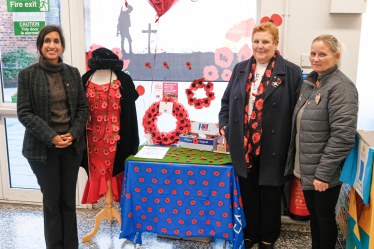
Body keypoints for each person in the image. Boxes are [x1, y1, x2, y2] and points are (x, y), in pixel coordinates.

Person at [219, 22, 303, 249]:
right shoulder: (240, 68)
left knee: (272, 193)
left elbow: (298, 111)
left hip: (274, 144)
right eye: (256, 41)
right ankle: (250, 234)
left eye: (266, 41)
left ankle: (268, 236)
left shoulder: (291, 72)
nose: (260, 46)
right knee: (248, 192)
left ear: (276, 44)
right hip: (243, 144)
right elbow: (226, 101)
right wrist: (224, 125)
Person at [17, 25, 88, 248]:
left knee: (68, 200)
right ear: (40, 45)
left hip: (71, 146)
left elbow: (83, 109)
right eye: (47, 41)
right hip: (42, 149)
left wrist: (73, 134)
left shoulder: (73, 73)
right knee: (52, 201)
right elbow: (24, 112)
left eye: (56, 41)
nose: (52, 45)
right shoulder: (27, 75)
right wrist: (52, 137)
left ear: (62, 46)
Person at [284, 34, 358, 249]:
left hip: (323, 173)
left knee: (324, 220)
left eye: (322, 54)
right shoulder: (311, 83)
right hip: (308, 168)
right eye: (313, 53)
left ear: (336, 56)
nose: (315, 58)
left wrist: (323, 174)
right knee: (315, 218)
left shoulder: (341, 87)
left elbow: (343, 136)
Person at [81, 48, 139, 204]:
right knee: (98, 171)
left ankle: (112, 205)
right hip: (93, 141)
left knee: (116, 169)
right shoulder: (86, 78)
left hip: (118, 140)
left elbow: (130, 114)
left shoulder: (123, 80)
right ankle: (106, 206)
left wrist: (133, 140)